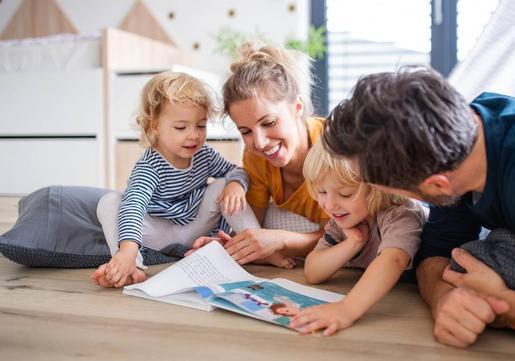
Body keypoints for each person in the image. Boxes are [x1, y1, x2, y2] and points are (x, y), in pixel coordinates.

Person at [321, 66, 515, 346]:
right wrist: (443, 299)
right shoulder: (452, 145)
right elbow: (436, 251)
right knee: (466, 262)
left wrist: (509, 309)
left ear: (437, 186)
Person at [91, 71, 260, 288]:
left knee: (224, 184)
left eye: (201, 126)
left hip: (194, 228)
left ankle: (255, 242)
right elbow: (134, 206)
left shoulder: (204, 154)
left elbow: (234, 170)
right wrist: (128, 249)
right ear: (155, 126)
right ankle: (130, 263)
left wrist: (236, 183)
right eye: (181, 127)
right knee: (110, 201)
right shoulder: (150, 166)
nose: (194, 135)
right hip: (157, 232)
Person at [190, 43, 329, 266]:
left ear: (297, 107)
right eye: (245, 131)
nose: (260, 142)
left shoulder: (330, 147)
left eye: (269, 122)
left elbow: (340, 235)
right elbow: (253, 226)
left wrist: (280, 239)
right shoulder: (255, 157)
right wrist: (230, 247)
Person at [289, 141, 427, 335]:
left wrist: (347, 309)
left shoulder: (400, 214)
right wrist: (353, 243)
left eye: (345, 194)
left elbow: (393, 260)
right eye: (322, 192)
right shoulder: (343, 220)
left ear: (377, 188)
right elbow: (312, 272)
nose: (330, 204)